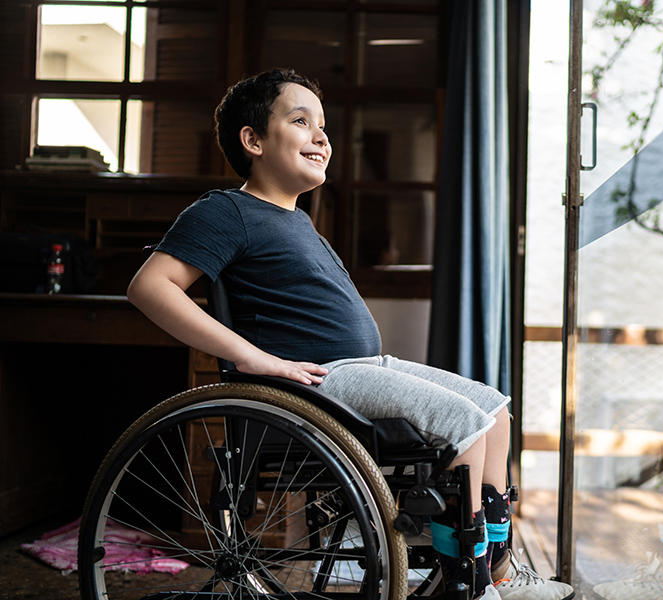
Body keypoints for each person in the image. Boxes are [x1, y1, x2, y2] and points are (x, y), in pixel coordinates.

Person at [127, 67, 574, 600]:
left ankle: (498, 571)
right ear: (253, 141)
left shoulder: (297, 219)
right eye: (300, 121)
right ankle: (469, 588)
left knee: (494, 411)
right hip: (315, 383)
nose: (322, 137)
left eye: (323, 126)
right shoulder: (228, 211)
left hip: (360, 371)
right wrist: (252, 357)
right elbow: (150, 287)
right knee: (464, 424)